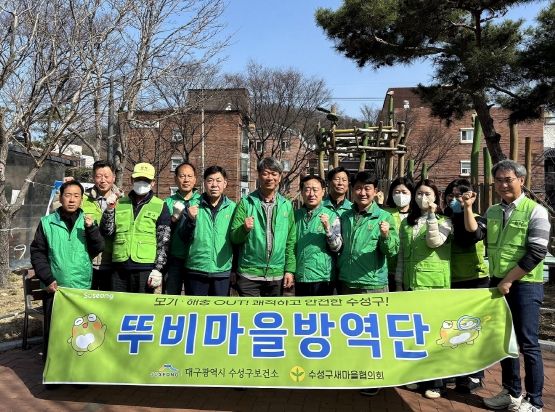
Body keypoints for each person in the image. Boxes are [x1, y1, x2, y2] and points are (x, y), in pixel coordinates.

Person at [463, 160, 549, 412]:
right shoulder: (492, 211)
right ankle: (511, 392)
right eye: (498, 180)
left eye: (508, 180)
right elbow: (474, 233)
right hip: (498, 283)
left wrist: (509, 280)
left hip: (525, 284)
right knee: (505, 341)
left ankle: (534, 401)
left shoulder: (535, 211)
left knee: (528, 344)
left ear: (521, 180)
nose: (503, 185)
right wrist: (468, 208)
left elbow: (537, 252)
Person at [336, 171, 398, 397]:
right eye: (359, 188)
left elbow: (392, 250)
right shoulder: (345, 216)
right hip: (346, 281)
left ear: (375, 191)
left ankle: (373, 376)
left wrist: (385, 236)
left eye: (367, 188)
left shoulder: (384, 217)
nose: (362, 192)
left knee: (372, 334)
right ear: (353, 191)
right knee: (349, 331)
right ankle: (352, 370)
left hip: (372, 284)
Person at [30, 180, 104, 360]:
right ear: (61, 198)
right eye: (68, 195)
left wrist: (92, 229)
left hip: (81, 287)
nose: (72, 200)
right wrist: (47, 279)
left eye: (76, 196)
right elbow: (38, 253)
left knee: (81, 332)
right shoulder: (47, 223)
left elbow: (98, 247)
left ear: (81, 199)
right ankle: (53, 370)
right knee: (54, 330)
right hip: (56, 288)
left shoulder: (87, 222)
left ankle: (78, 369)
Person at [396, 179, 453, 399]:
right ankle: (417, 376)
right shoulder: (407, 223)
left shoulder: (445, 220)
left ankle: (436, 381)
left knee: (434, 334)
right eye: (419, 194)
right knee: (416, 333)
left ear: (436, 197)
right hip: (412, 283)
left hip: (434, 284)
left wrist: (431, 215)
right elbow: (402, 255)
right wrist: (399, 282)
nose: (423, 198)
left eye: (427, 194)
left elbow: (434, 242)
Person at [443, 178, 489, 393]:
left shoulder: (478, 218)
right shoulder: (443, 219)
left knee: (472, 330)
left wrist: (467, 209)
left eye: (459, 196)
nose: (455, 200)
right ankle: (455, 371)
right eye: (450, 195)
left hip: (475, 280)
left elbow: (473, 234)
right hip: (450, 280)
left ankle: (475, 374)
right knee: (452, 331)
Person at [100, 162, 171, 293]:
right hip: (119, 266)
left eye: (146, 180)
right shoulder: (119, 203)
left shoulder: (160, 205)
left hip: (145, 268)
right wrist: (109, 210)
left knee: (141, 305)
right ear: (132, 180)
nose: (142, 183)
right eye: (138, 179)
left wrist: (158, 269)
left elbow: (164, 241)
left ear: (153, 182)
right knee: (119, 304)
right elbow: (106, 232)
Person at [230, 157, 296, 297]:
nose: (269, 178)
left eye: (274, 174)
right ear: (259, 176)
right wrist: (244, 229)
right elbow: (234, 238)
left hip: (276, 274)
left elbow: (290, 241)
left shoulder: (286, 206)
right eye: (265, 173)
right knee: (249, 311)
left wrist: (289, 270)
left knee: (273, 311)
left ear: (280, 177)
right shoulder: (246, 203)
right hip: (249, 273)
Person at [177, 166, 236, 296]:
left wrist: (234, 270)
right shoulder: (192, 205)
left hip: (222, 271)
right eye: (210, 180)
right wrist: (190, 220)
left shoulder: (233, 208)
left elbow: (236, 241)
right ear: (204, 183)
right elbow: (183, 236)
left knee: (219, 308)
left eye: (218, 180)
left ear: (225, 183)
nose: (214, 185)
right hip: (196, 269)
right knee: (195, 308)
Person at [294, 175, 342, 296]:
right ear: (301, 192)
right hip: (300, 275)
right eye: (307, 190)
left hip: (323, 278)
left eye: (315, 190)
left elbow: (337, 247)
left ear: (323, 191)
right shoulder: (295, 216)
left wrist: (328, 229)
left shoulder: (332, 216)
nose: (311, 194)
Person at [81, 160, 122, 291]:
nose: (103, 180)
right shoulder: (83, 198)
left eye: (106, 176)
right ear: (93, 178)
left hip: (113, 262)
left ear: (114, 177)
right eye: (99, 176)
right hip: (87, 261)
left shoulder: (123, 201)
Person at [164, 162, 201, 295]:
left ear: (195, 179)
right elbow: (162, 231)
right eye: (182, 176)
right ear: (175, 179)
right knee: (171, 296)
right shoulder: (167, 202)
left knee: (193, 298)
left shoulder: (203, 201)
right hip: (174, 258)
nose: (186, 180)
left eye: (189, 176)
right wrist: (173, 219)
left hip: (195, 259)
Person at [384, 177, 414, 291]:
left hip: (411, 269)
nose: (400, 195)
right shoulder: (385, 214)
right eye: (396, 192)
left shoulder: (417, 215)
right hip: (389, 269)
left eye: (404, 192)